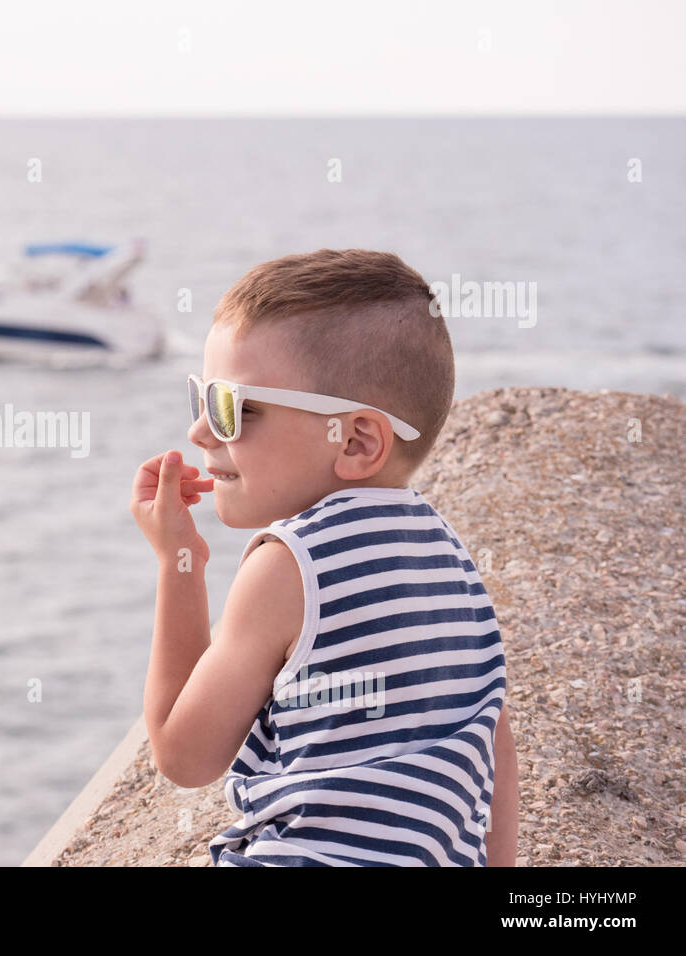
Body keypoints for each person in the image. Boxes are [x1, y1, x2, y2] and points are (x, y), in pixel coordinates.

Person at [129, 248, 517, 866]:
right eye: (199, 398)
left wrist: (179, 561)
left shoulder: (288, 566)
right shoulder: (454, 560)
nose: (201, 432)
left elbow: (183, 756)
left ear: (358, 440)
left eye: (233, 408)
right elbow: (492, 744)